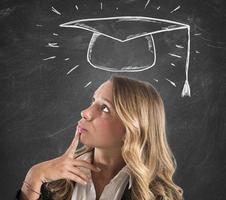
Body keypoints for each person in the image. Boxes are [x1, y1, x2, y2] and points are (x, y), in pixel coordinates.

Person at [16, 75, 184, 200]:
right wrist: (34, 176)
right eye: (93, 101)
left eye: (104, 108)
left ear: (131, 128)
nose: (85, 113)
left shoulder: (160, 195)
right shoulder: (52, 181)